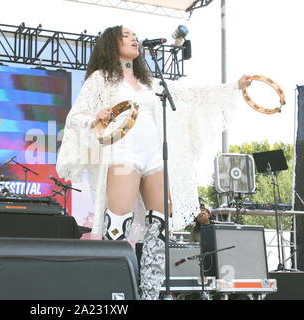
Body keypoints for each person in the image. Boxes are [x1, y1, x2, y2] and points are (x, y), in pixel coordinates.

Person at [55, 25, 252, 299]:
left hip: (154, 155)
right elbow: (76, 116)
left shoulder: (150, 82)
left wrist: (233, 87)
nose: (134, 38)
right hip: (123, 153)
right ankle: (116, 290)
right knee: (117, 226)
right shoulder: (101, 79)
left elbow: (191, 95)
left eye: (135, 35)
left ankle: (150, 292)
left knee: (160, 226)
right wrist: (96, 117)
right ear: (111, 44)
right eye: (126, 35)